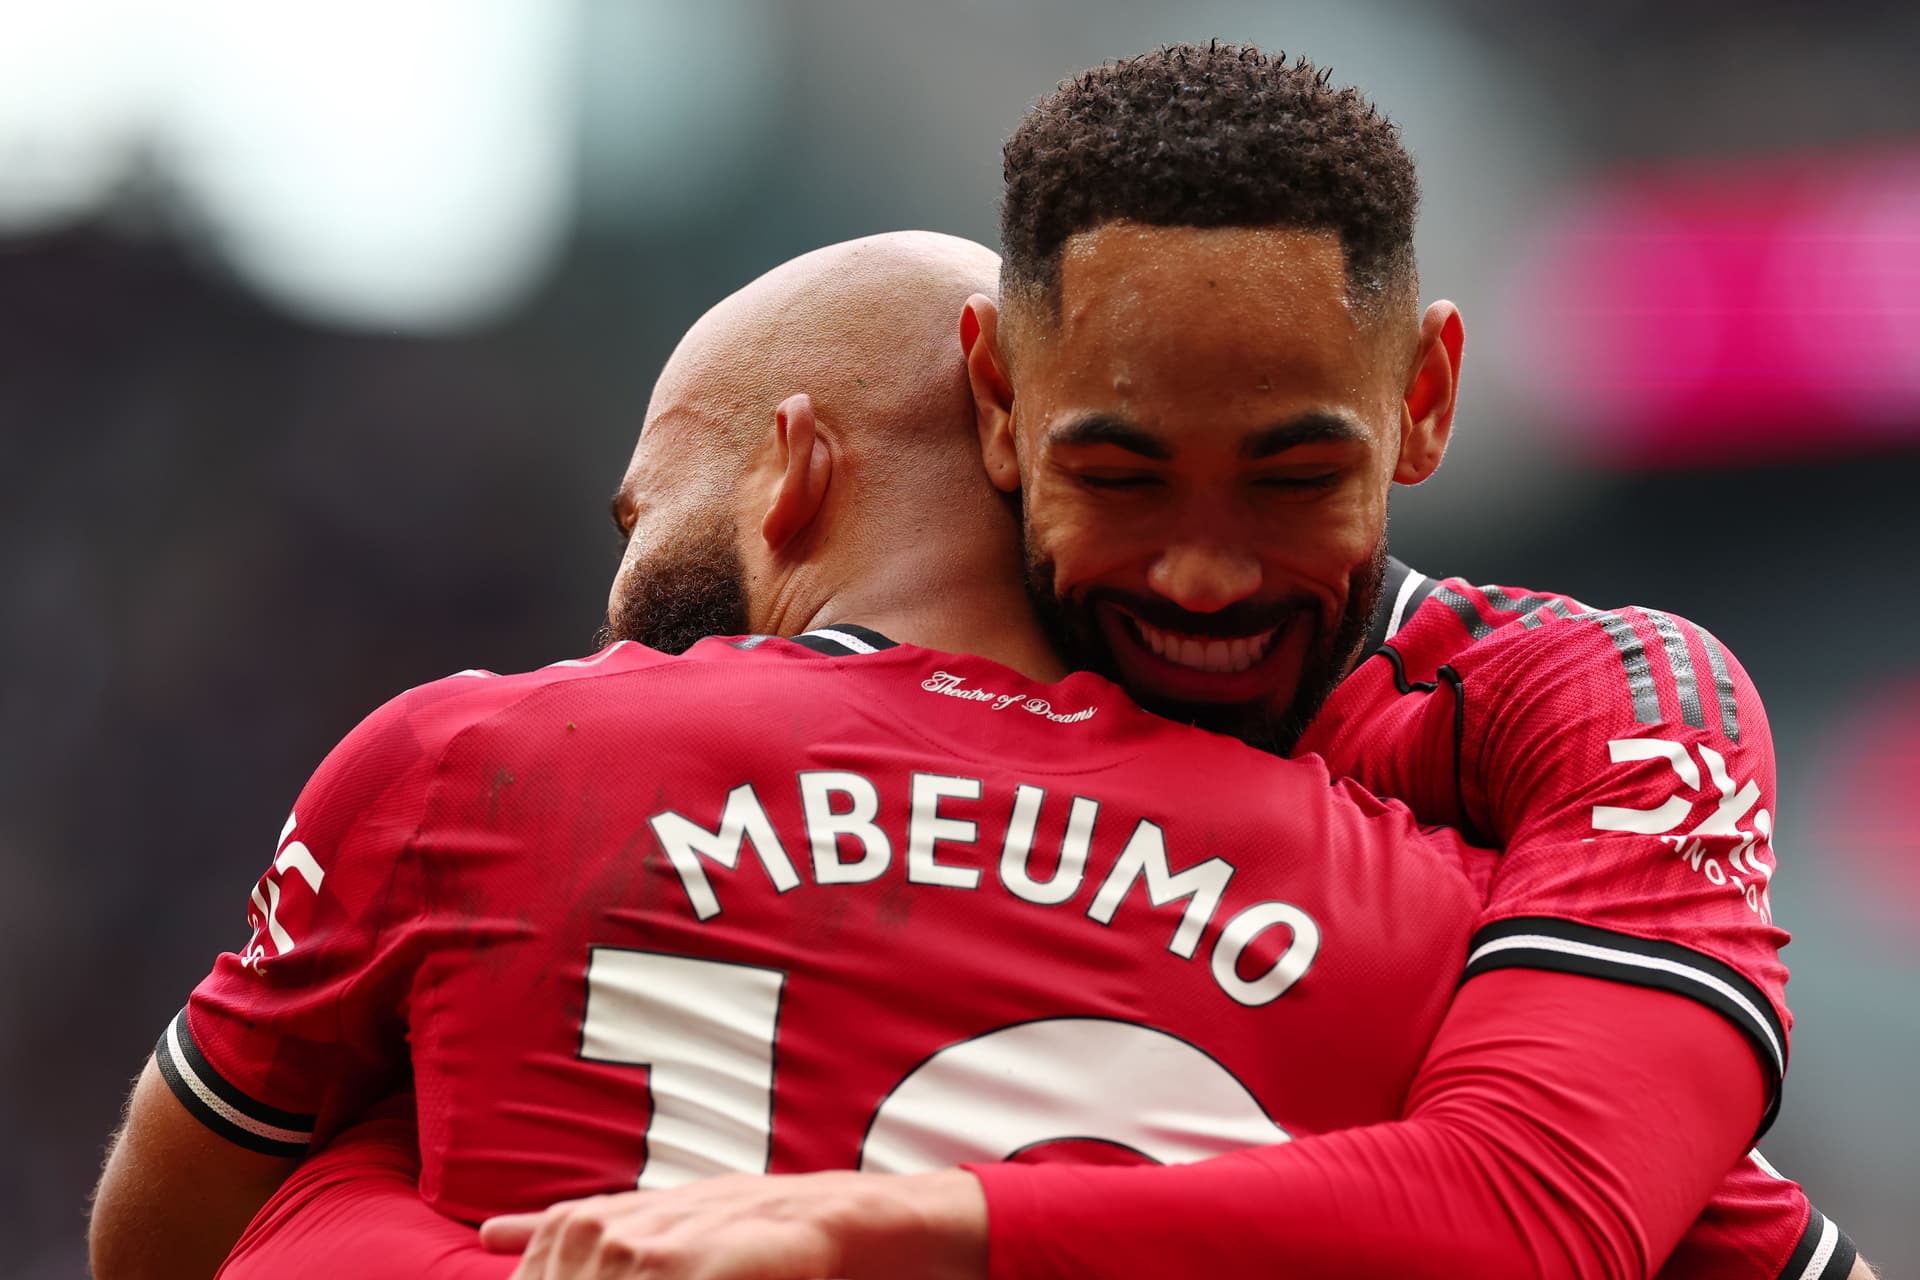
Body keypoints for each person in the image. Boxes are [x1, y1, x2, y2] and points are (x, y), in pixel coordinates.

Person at [475, 45, 1863, 1279]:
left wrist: (901, 1227)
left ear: (1424, 404)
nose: (1205, 574)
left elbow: (1551, 1211)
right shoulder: (814, 755)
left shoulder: (1596, 704)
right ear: (1001, 405)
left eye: (1296, 476)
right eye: (1123, 478)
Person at [89, 232, 1505, 1279]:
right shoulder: (1420, 899)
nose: (621, 578)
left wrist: (357, 1189)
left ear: (793, 471)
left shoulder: (485, 760)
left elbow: (158, 1248)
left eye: (642, 508)